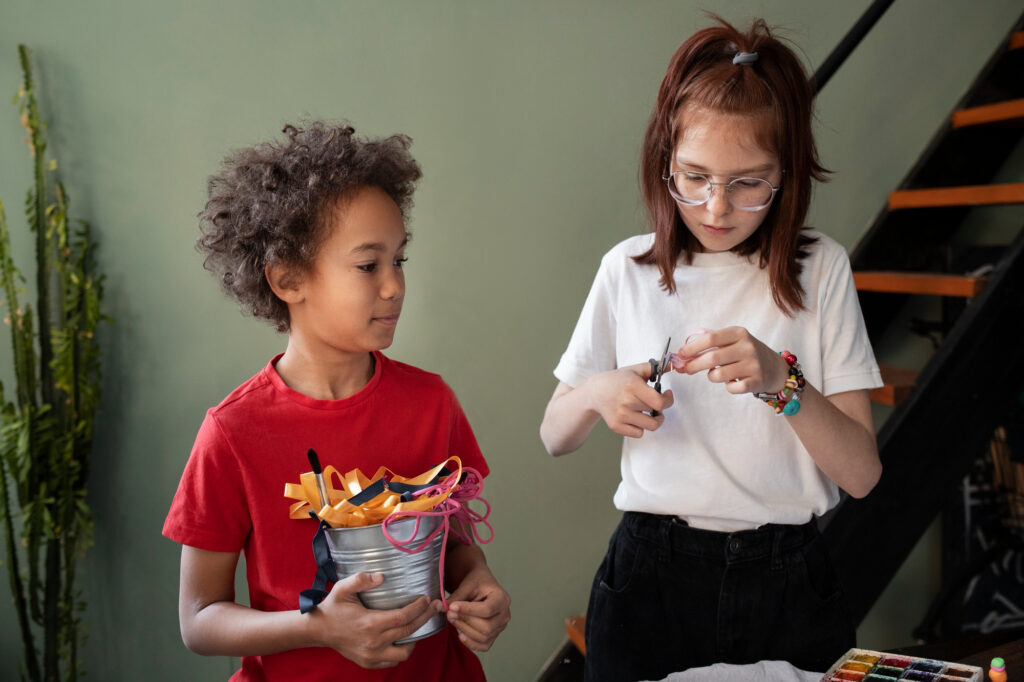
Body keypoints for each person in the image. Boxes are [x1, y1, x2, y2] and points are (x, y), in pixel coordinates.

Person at [539, 17, 883, 682]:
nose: (715, 206)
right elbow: (554, 434)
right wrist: (596, 392)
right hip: (648, 576)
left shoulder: (822, 270)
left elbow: (863, 474)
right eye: (692, 176)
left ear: (788, 173)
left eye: (749, 182)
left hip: (789, 579)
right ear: (664, 159)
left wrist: (782, 383)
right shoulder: (628, 268)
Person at [163, 122, 510, 681]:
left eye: (399, 260)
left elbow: (457, 542)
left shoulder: (433, 403)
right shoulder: (232, 432)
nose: (394, 285)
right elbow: (199, 619)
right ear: (288, 279)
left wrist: (480, 582)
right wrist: (316, 627)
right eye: (368, 265)